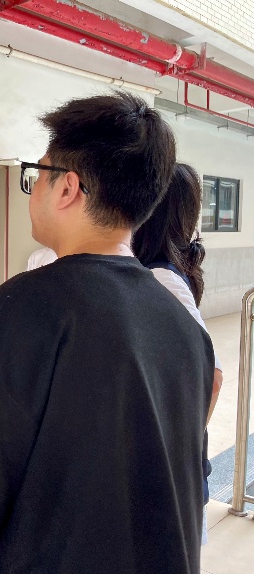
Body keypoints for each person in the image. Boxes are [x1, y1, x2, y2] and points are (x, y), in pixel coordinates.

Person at [0, 92, 214, 574]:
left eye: (38, 173)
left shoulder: (25, 307)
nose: (33, 187)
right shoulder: (182, 324)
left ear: (67, 188)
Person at [132, 162, 224, 544]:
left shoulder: (161, 278)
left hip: (171, 479)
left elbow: (212, 376)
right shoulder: (156, 271)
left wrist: (177, 444)